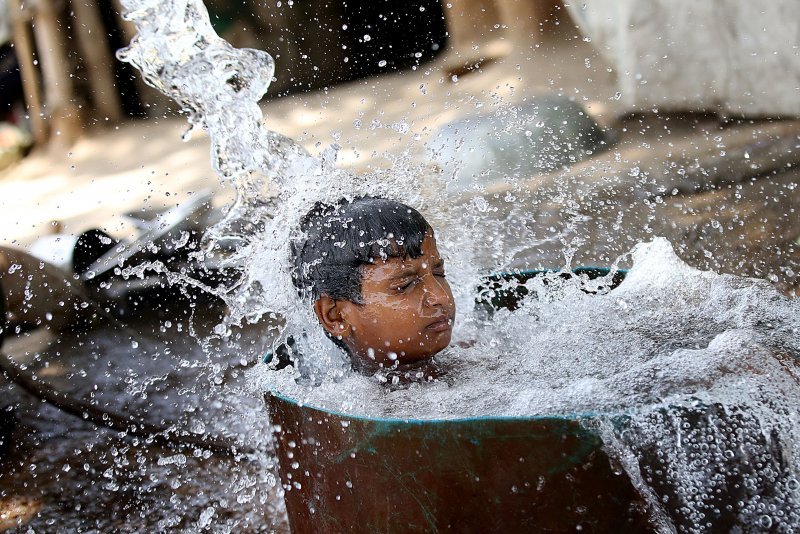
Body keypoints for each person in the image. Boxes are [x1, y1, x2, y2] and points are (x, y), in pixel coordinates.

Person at [290, 196, 455, 380]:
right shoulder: (349, 405)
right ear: (335, 316)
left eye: (439, 273)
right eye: (405, 285)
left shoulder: (477, 356)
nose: (441, 297)